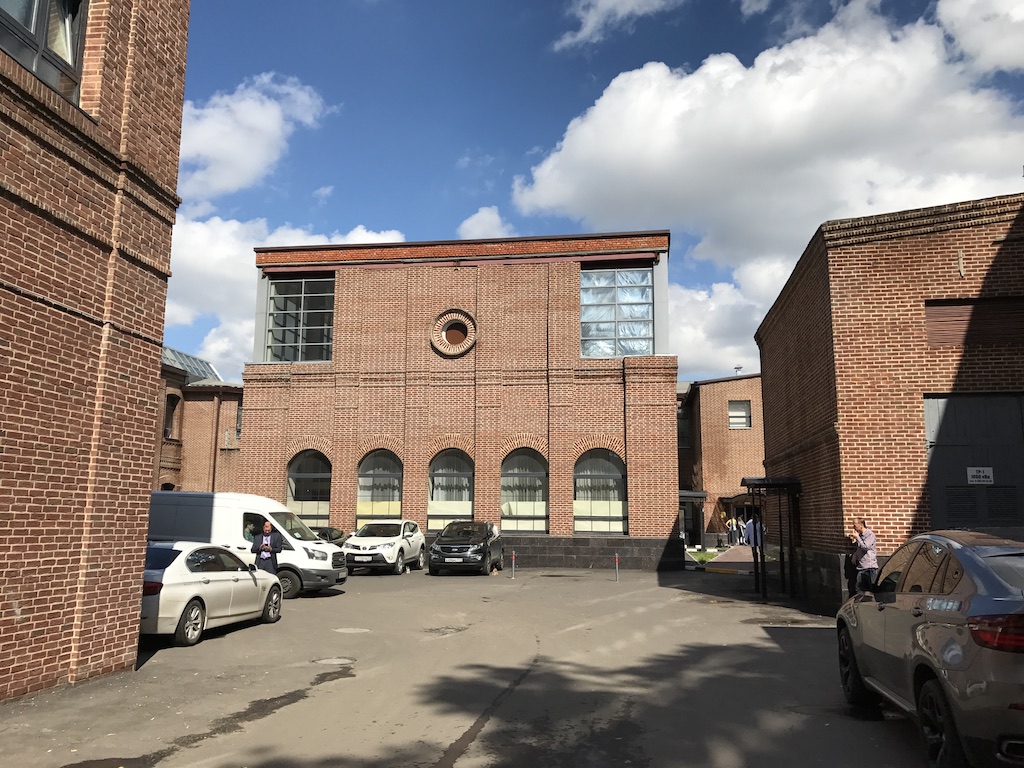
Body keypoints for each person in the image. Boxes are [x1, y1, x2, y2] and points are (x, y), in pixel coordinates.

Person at [849, 518, 878, 594]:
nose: (853, 527)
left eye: (855, 525)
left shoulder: (870, 534)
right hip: (861, 566)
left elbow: (865, 547)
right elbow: (860, 548)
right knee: (859, 590)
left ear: (861, 525)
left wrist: (857, 538)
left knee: (868, 590)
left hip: (869, 567)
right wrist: (855, 554)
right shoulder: (860, 535)